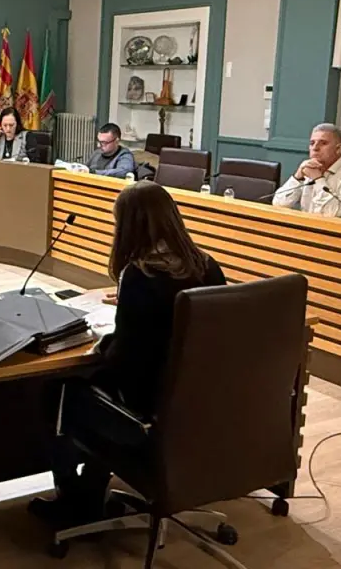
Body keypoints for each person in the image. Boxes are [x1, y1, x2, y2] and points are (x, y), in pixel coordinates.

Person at [29, 181, 226, 528]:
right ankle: (90, 492)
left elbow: (125, 364)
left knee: (59, 392)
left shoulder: (139, 275)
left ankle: (75, 501)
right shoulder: (207, 266)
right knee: (97, 392)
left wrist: (100, 345)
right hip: (199, 408)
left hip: (146, 414)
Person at [272, 123, 341, 217]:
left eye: (323, 143)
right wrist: (298, 177)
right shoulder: (310, 168)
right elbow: (279, 204)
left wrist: (318, 179)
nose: (315, 148)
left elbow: (333, 213)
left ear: (338, 148)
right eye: (312, 143)